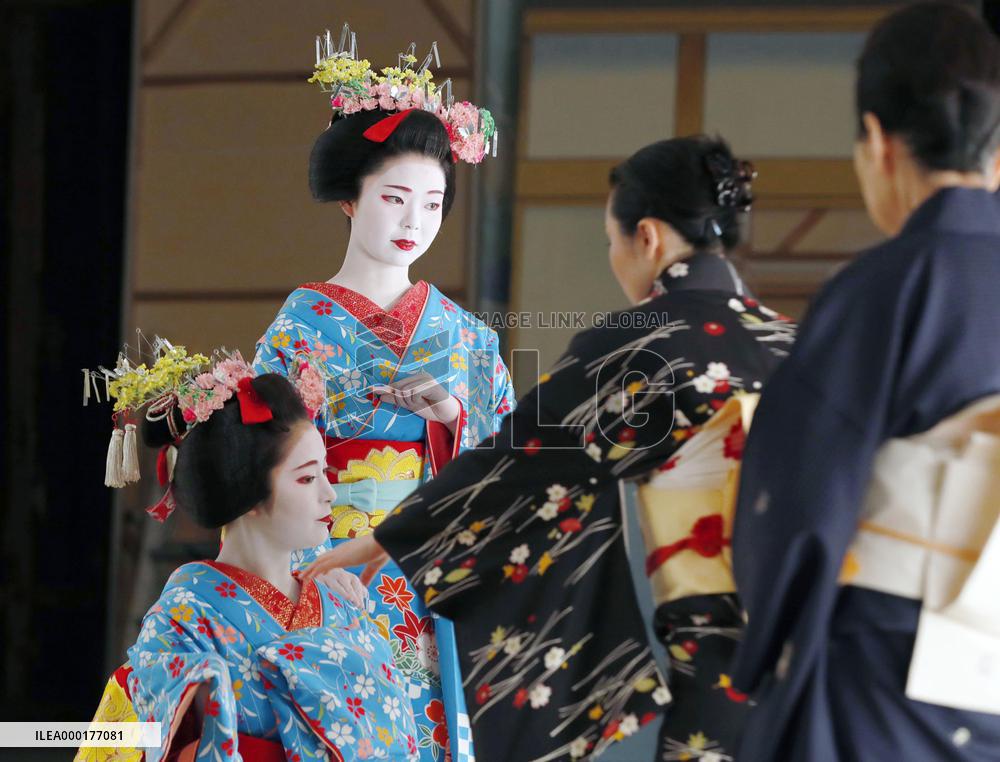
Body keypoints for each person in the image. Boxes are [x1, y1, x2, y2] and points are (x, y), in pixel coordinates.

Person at [304, 136, 797, 761]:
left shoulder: (640, 342)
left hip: (702, 624)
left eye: (611, 242)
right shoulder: (798, 343)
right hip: (811, 632)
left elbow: (522, 457)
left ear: (646, 237)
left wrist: (393, 535)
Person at [729, 3, 1000, 760]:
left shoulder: (891, 284)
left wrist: (765, 646)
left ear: (877, 143)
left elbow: (797, 501)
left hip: (894, 668)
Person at [252, 30, 513, 762]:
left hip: (430, 585)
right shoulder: (300, 327)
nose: (412, 223)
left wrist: (454, 421)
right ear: (349, 199)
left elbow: (507, 469)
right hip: (328, 572)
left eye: (432, 204)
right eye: (394, 198)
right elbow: (261, 462)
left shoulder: (468, 339)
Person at [78, 348, 418, 761]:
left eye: (325, 473)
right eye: (307, 477)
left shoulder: (340, 602)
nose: (330, 494)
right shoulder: (184, 619)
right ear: (248, 491)